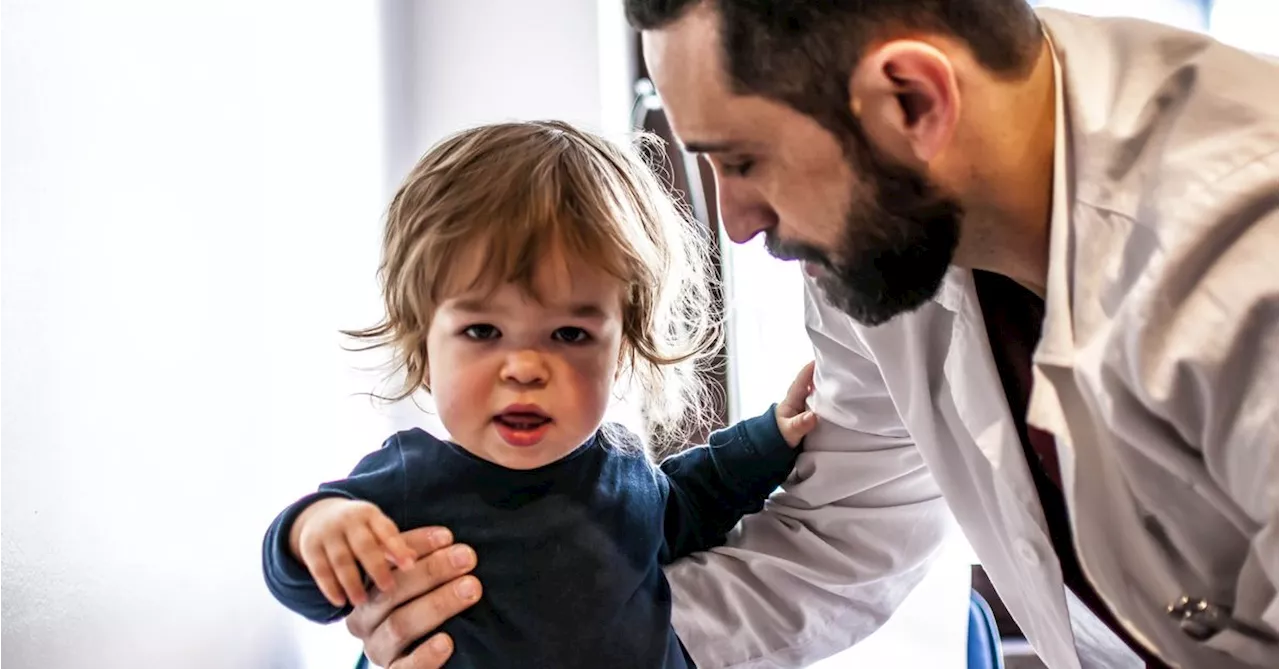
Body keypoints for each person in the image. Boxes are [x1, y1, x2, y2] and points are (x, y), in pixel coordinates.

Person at [336, 3, 1280, 669]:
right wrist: (522, 631)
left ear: (911, 100)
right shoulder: (883, 241)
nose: (739, 222)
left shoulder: (1246, 247)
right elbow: (847, 533)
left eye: (743, 161)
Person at [260, 120, 820, 668]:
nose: (525, 368)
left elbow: (691, 504)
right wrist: (315, 529)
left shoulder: (624, 469)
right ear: (424, 347)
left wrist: (769, 436)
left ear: (621, 349)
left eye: (569, 335)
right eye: (483, 332)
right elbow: (310, 584)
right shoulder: (412, 481)